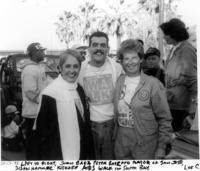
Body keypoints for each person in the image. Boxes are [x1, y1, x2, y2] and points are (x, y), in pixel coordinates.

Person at [113, 39, 172, 159]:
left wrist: (161, 147)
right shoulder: (119, 81)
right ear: (122, 61)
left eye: (134, 57)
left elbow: (164, 118)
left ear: (140, 59)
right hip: (122, 142)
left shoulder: (153, 84)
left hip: (145, 144)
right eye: (126, 58)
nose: (130, 62)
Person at [35, 49, 94, 160]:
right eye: (68, 66)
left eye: (76, 66)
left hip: (81, 149)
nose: (72, 71)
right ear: (60, 68)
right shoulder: (49, 94)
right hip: (59, 152)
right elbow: (42, 133)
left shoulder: (79, 88)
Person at [78, 31, 123, 159]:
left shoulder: (117, 68)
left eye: (103, 45)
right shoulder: (80, 69)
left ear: (108, 49)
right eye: (95, 45)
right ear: (89, 48)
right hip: (89, 124)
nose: (99, 48)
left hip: (111, 125)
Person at [159, 18, 197, 132]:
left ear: (173, 34)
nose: (163, 37)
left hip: (181, 107)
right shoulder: (174, 49)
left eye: (165, 34)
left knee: (177, 141)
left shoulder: (187, 50)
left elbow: (193, 80)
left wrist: (193, 109)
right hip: (172, 103)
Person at [21, 42, 49, 160]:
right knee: (33, 148)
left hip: (37, 114)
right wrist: (46, 103)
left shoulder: (36, 68)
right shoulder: (30, 70)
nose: (43, 52)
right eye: (41, 51)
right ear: (35, 53)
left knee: (38, 146)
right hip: (33, 115)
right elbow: (30, 94)